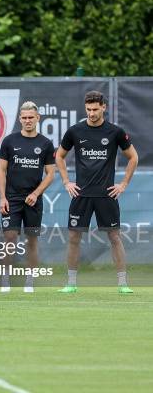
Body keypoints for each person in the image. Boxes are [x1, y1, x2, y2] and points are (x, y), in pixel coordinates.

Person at [56, 91, 138, 293]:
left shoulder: (115, 132)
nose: (92, 113)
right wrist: (66, 182)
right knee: (74, 238)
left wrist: (123, 184)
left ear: (104, 108)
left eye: (95, 109)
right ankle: (71, 283)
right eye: (88, 109)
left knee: (114, 238)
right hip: (81, 195)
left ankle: (122, 284)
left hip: (106, 195)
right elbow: (59, 156)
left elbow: (133, 157)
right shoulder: (75, 131)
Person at [0, 101, 55, 293]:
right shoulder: (9, 141)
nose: (28, 121)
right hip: (12, 198)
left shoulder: (45, 144)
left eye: (31, 117)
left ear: (38, 118)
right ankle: (5, 280)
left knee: (32, 240)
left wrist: (36, 193)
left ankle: (29, 281)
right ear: (19, 119)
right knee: (10, 237)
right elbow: (1, 171)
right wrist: (3, 197)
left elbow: (51, 174)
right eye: (24, 118)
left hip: (33, 200)